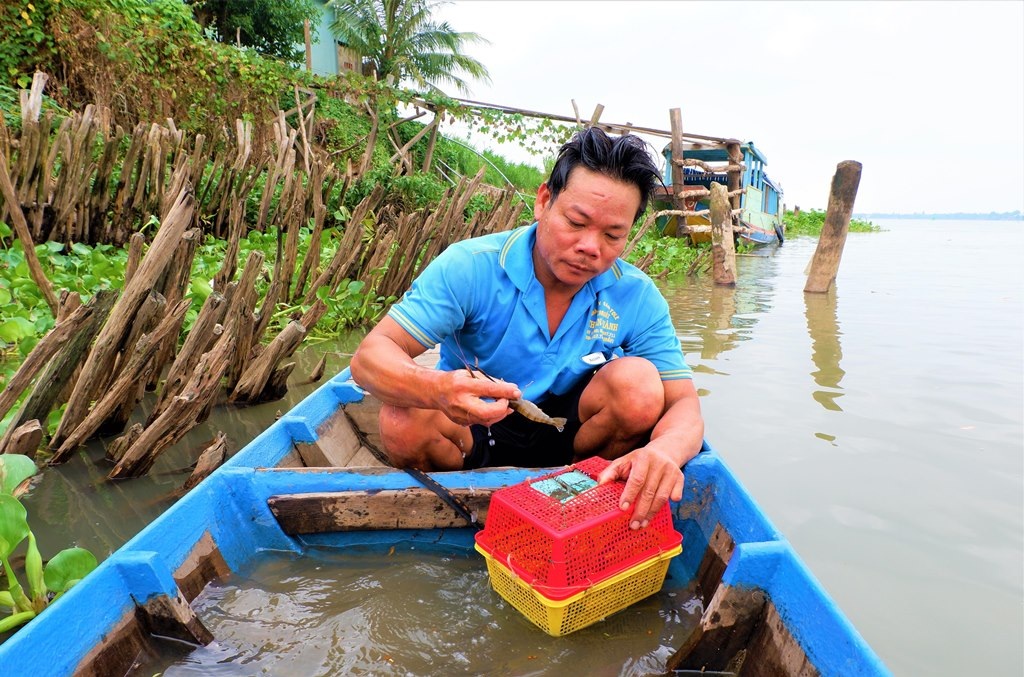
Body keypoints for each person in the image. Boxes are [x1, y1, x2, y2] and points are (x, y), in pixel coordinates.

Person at [350, 127, 704, 529]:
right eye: (576, 222)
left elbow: (684, 404)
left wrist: (666, 449)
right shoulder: (471, 266)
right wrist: (438, 389)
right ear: (544, 201)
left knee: (639, 387)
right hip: (475, 424)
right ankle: (460, 511)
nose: (590, 247)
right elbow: (370, 357)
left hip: (572, 435)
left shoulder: (635, 295)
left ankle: (580, 495)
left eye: (612, 235)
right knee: (402, 418)